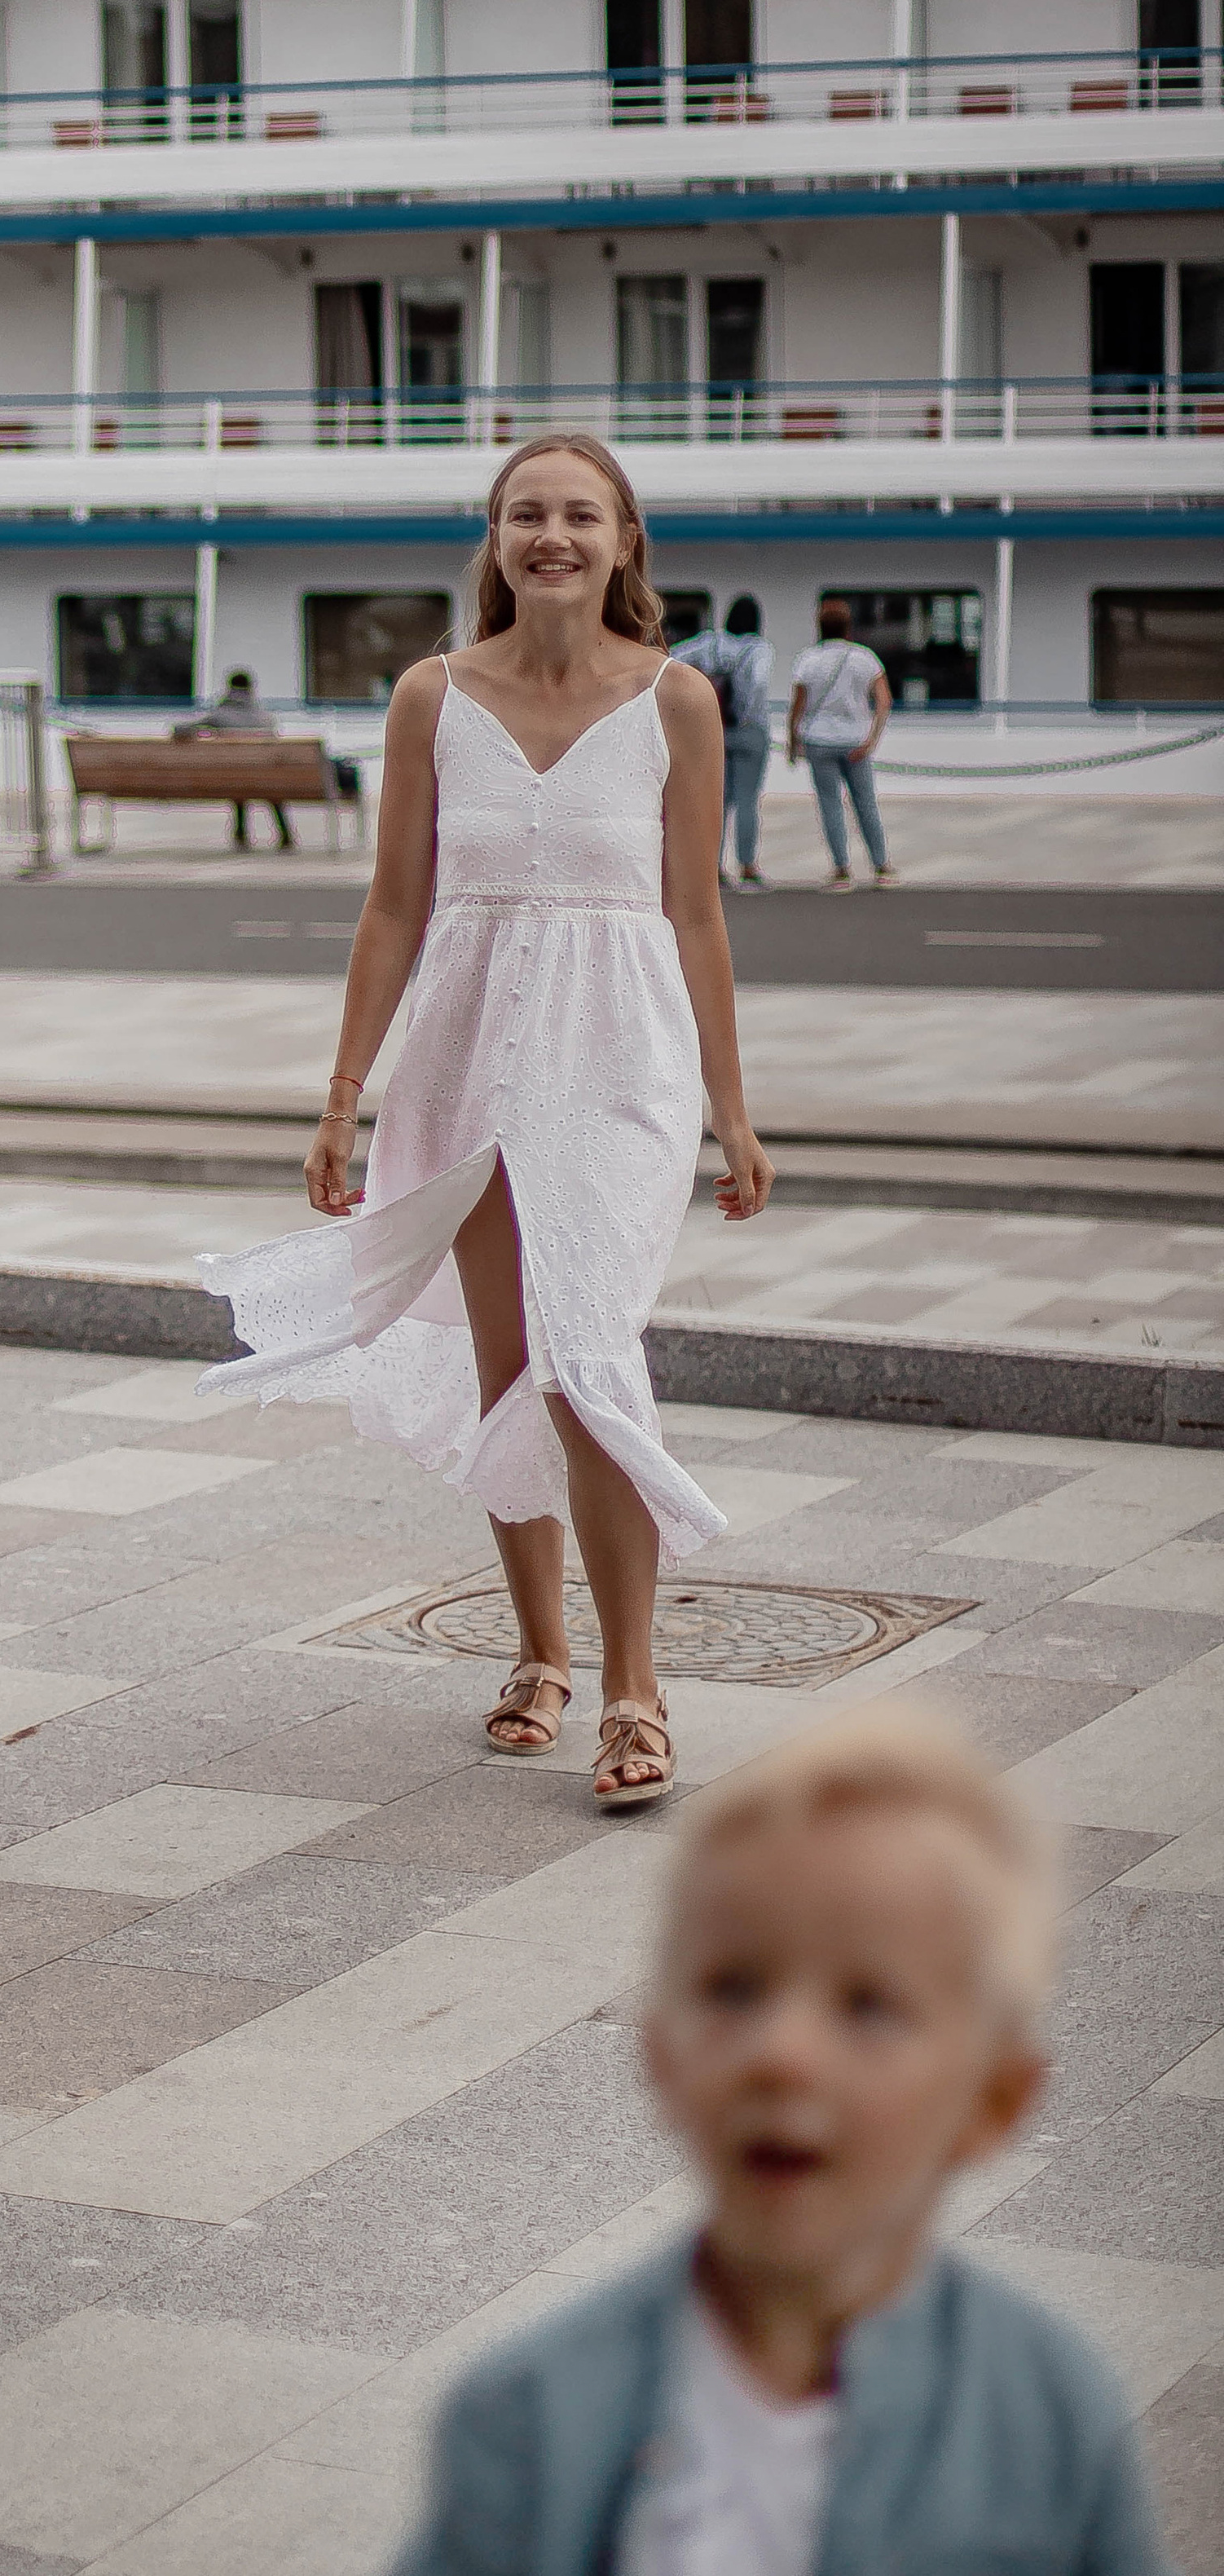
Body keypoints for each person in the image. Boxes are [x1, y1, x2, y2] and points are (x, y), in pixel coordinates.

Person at [227, 1710, 1224, 2576]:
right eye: (736, 1991)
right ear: (662, 2056)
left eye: (868, 2006)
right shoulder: (539, 2413)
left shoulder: (1040, 2420)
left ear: (993, 2099)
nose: (783, 2055)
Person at [199, 435, 773, 1810]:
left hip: (618, 1062)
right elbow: (394, 906)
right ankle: (540, 1649)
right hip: (464, 1058)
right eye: (528, 514)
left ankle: (635, 1686)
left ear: (624, 540)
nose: (553, 535)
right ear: (496, 538)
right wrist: (343, 1098)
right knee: (514, 1362)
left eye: (581, 514)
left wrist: (735, 1117)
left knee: (585, 1357)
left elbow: (698, 915)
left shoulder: (677, 701)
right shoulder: (429, 697)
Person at [788, 597, 897, 889]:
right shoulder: (865, 658)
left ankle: (841, 869)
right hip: (856, 742)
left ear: (820, 628)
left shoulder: (808, 659)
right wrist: (872, 739)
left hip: (818, 740)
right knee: (866, 804)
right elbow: (884, 701)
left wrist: (792, 742)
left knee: (830, 805)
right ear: (848, 627)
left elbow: (797, 707)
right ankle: (881, 866)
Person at [673, 591, 773, 888]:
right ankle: (747, 865)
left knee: (717, 801)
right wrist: (746, 714)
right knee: (747, 801)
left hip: (715, 730)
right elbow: (759, 682)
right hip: (750, 730)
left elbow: (673, 657)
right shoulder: (759, 648)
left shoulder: (710, 643)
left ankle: (713, 867)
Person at [181, 669, 295, 851]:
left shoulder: (219, 716)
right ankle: (286, 835)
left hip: (233, 777)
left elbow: (180, 730)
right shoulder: (266, 719)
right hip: (265, 777)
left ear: (229, 689)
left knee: (240, 779)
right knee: (265, 782)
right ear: (251, 689)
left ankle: (241, 833)